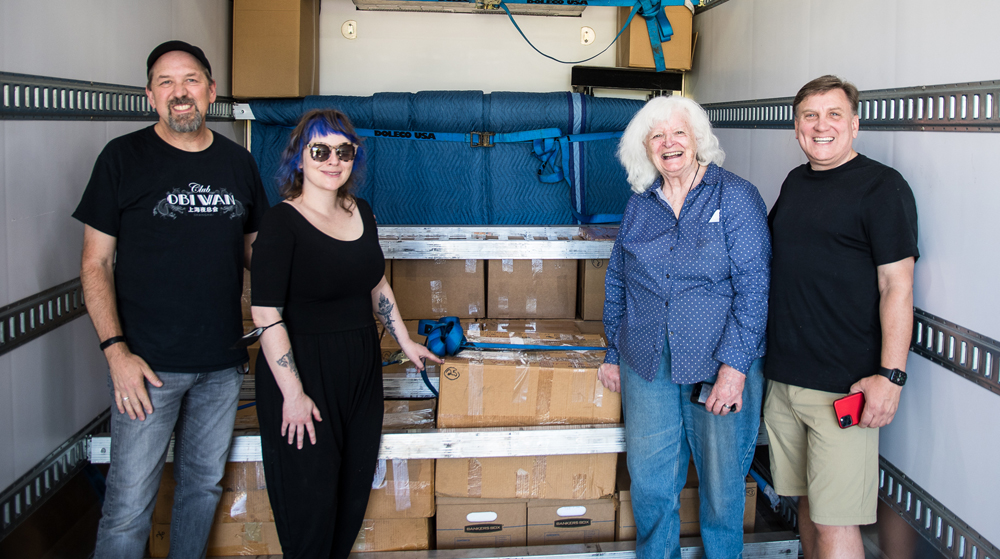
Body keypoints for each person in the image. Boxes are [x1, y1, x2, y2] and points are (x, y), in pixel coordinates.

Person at [73, 40, 268, 558]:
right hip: (146, 369)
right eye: (166, 83)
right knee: (128, 505)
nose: (180, 93)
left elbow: (257, 255)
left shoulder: (238, 164)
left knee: (201, 491)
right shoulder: (122, 159)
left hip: (222, 366)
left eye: (190, 81)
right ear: (149, 96)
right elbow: (95, 263)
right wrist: (117, 353)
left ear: (211, 90)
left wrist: (321, 278)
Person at [250, 109, 442, 559]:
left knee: (351, 496)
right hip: (303, 375)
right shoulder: (282, 223)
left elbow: (376, 284)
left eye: (344, 151)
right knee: (310, 509)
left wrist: (404, 340)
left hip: (359, 368)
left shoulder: (362, 211)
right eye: (319, 150)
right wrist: (293, 395)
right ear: (299, 158)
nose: (332, 160)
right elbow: (264, 312)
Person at [598, 95, 771, 559]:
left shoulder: (734, 195)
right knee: (651, 483)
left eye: (679, 132)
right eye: (657, 136)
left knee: (722, 484)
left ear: (697, 139)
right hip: (647, 362)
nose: (669, 143)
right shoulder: (641, 203)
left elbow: (755, 289)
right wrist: (613, 352)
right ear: (645, 148)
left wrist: (735, 368)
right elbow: (619, 280)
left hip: (717, 363)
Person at [764, 75, 918, 559]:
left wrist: (891, 376)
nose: (821, 126)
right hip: (786, 379)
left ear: (854, 124)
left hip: (844, 387)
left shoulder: (882, 187)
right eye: (810, 116)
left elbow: (897, 286)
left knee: (836, 523)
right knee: (808, 509)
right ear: (796, 128)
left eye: (834, 115)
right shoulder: (795, 182)